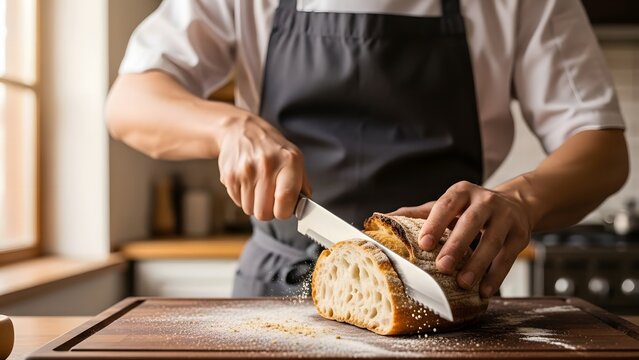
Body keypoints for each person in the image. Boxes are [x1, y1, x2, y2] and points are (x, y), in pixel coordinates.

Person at [106, 0, 629, 299]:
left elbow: (601, 147)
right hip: (276, 285)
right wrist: (228, 126)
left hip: (438, 284)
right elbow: (130, 102)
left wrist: (522, 199)